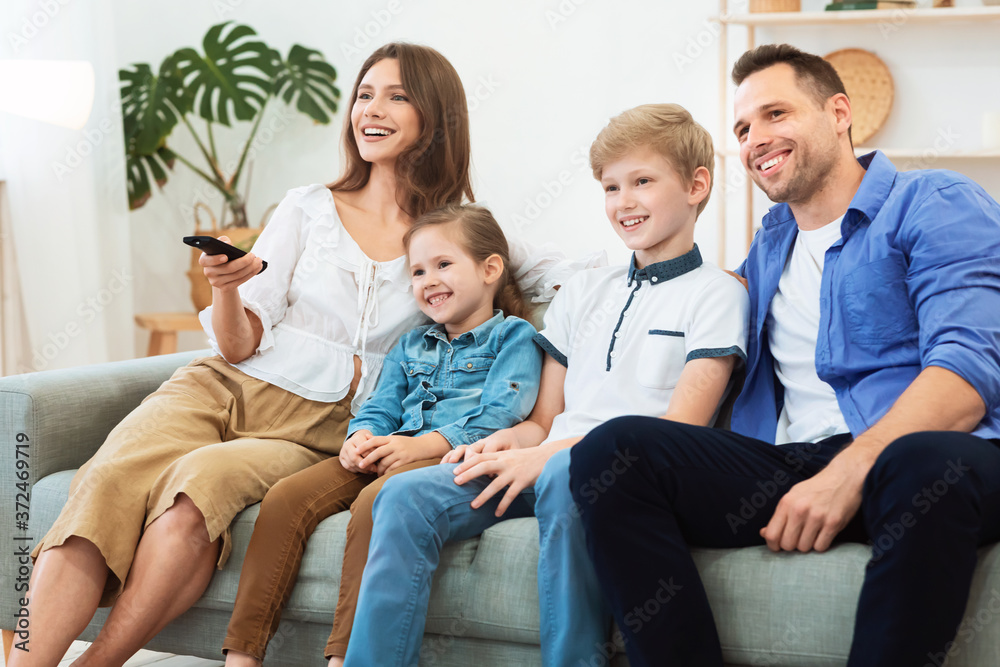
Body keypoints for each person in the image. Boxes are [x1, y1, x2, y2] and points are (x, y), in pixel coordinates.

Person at [18, 43, 597, 667]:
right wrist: (228, 287)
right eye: (365, 94)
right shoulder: (306, 207)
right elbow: (239, 343)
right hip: (222, 384)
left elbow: (577, 278)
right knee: (104, 480)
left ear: (436, 117)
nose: (371, 109)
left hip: (322, 425)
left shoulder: (457, 231)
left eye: (397, 96)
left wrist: (701, 282)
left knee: (196, 494)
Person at [569, 43, 1000, 667]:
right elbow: (696, 303)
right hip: (798, 464)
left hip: (934, 460)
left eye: (776, 114)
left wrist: (848, 473)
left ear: (839, 113)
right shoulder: (772, 243)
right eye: (743, 128)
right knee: (614, 453)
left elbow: (968, 373)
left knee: (921, 463)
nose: (755, 138)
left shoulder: (933, 202)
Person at [342, 103, 750, 666]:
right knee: (403, 496)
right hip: (544, 461)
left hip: (617, 476)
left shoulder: (718, 294)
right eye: (610, 187)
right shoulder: (582, 292)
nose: (624, 201)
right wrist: (508, 443)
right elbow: (541, 419)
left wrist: (549, 454)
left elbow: (681, 431)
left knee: (564, 471)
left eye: (643, 181)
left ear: (697, 186)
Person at [221, 203, 543, 666]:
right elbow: (382, 402)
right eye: (417, 271)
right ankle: (243, 655)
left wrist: (421, 446)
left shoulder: (514, 337)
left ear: (491, 268)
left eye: (443, 264)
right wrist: (361, 437)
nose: (428, 280)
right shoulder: (412, 342)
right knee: (286, 497)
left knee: (377, 504)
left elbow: (499, 415)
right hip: (390, 450)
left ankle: (343, 657)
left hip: (446, 460)